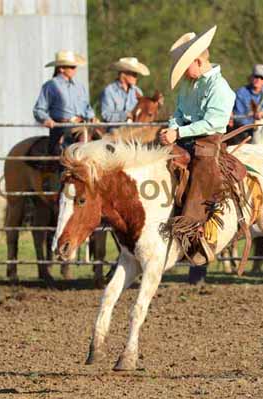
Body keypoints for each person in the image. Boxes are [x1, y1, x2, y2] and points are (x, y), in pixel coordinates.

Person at [158, 25, 238, 284]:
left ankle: (194, 231)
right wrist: (172, 128)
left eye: (185, 67)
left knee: (203, 170)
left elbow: (214, 124)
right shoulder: (188, 85)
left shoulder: (221, 88)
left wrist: (178, 133)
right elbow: (178, 112)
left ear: (198, 61)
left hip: (207, 143)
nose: (184, 74)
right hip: (184, 137)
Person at [33, 50, 96, 156]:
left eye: (75, 66)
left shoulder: (79, 86)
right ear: (61, 68)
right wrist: (47, 119)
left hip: (82, 124)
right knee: (65, 150)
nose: (75, 69)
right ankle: (67, 169)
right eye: (72, 67)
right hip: (61, 126)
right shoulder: (51, 86)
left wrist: (92, 116)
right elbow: (39, 109)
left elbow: (86, 107)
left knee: (101, 139)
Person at [100, 57, 150, 123]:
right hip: (114, 130)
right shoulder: (109, 91)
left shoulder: (138, 91)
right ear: (124, 74)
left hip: (134, 130)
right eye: (134, 74)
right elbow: (106, 115)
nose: (136, 77)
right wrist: (125, 116)